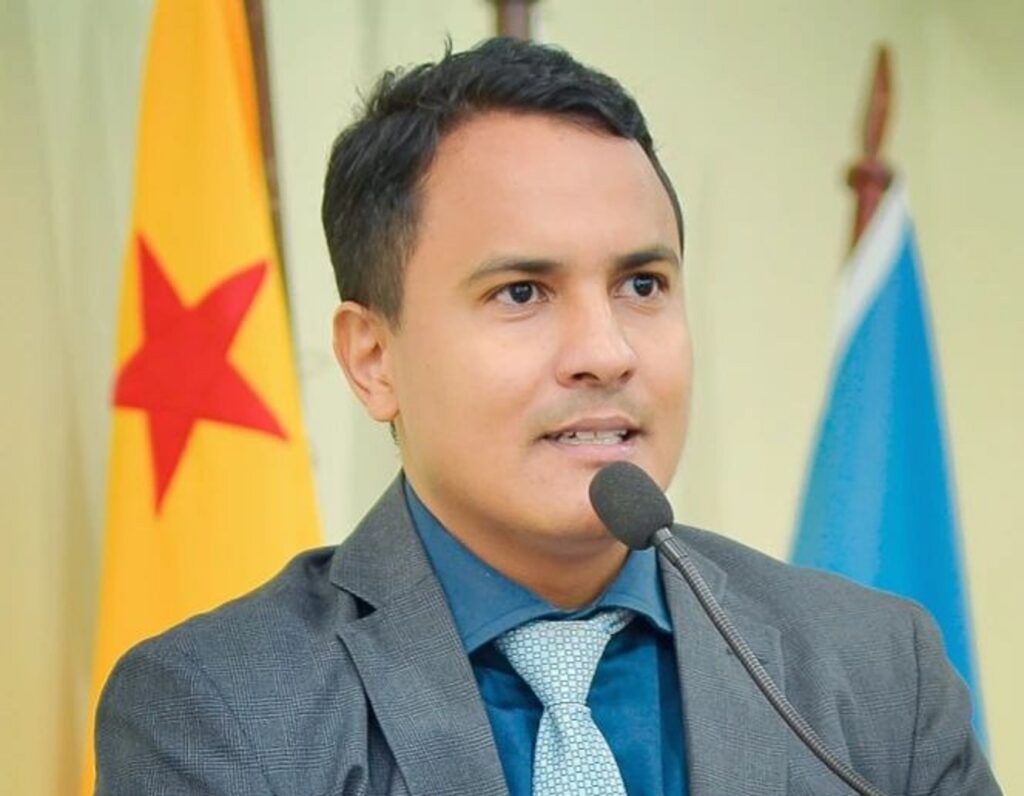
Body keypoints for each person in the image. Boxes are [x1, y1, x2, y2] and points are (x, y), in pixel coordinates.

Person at [95, 37, 1000, 795]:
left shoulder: (879, 671)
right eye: (522, 292)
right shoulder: (218, 707)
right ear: (373, 360)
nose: (607, 351)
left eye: (642, 284)